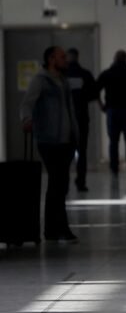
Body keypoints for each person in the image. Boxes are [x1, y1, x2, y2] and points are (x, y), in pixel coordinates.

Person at [20, 46, 79, 243]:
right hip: (49, 140)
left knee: (60, 185)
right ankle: (58, 228)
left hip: (66, 140)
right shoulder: (41, 80)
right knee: (56, 184)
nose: (66, 60)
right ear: (52, 59)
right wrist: (26, 119)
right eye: (62, 57)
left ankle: (54, 229)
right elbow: (27, 102)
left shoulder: (62, 80)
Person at [96, 50, 126, 176]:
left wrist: (101, 105)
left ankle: (114, 169)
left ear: (114, 58)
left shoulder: (108, 73)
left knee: (113, 141)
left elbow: (95, 89)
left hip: (112, 111)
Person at [64, 47, 98, 192]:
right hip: (82, 117)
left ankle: (64, 183)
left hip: (64, 120)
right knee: (81, 151)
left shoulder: (61, 75)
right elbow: (93, 94)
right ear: (77, 57)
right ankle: (81, 182)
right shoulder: (85, 74)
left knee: (65, 152)